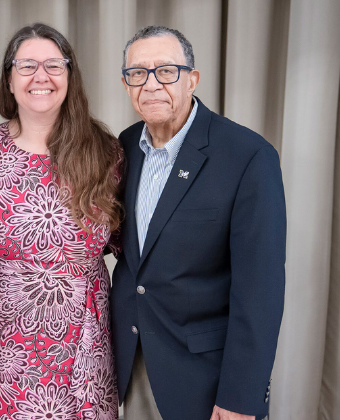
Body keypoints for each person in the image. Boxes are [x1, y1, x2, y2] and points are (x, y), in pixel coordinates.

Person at [111, 26, 286, 420]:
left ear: (192, 79)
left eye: (166, 71)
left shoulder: (247, 156)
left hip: (205, 379)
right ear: (126, 85)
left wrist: (242, 396)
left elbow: (260, 291)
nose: (151, 84)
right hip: (133, 365)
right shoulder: (123, 148)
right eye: (137, 73)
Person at [0, 23, 123, 420]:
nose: (41, 76)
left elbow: (130, 244)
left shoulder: (107, 153)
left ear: (70, 77)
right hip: (0, 342)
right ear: (9, 79)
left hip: (83, 341)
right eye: (27, 65)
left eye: (54, 64)